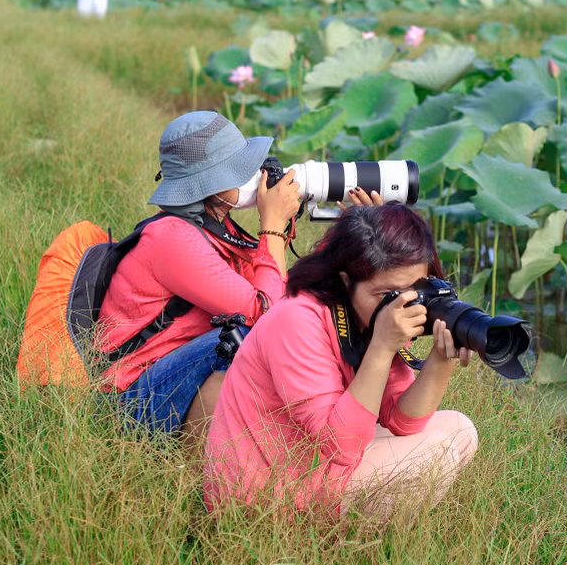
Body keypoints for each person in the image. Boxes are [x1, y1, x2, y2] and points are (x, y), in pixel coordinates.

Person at [203, 203, 479, 519]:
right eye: (387, 294)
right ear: (347, 281)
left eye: (413, 292)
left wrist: (441, 360)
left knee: (459, 429)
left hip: (309, 463)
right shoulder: (298, 320)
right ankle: (342, 552)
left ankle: (360, 545)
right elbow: (341, 447)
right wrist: (381, 347)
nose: (402, 306)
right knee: (435, 454)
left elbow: (403, 421)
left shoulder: (372, 317)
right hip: (262, 496)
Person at [95, 111, 305, 445]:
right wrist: (273, 226)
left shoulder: (213, 227)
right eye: (241, 169)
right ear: (211, 184)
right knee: (244, 334)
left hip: (167, 374)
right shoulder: (173, 239)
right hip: (128, 400)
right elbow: (265, 311)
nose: (255, 175)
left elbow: (276, 287)